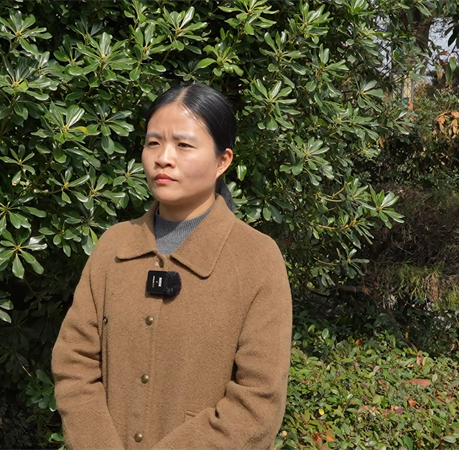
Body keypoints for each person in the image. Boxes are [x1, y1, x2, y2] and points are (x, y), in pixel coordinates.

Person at [51, 82, 293, 450]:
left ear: (223, 161)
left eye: (184, 145)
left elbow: (258, 400)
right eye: (153, 143)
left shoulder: (256, 258)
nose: (163, 158)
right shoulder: (113, 246)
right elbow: (74, 362)